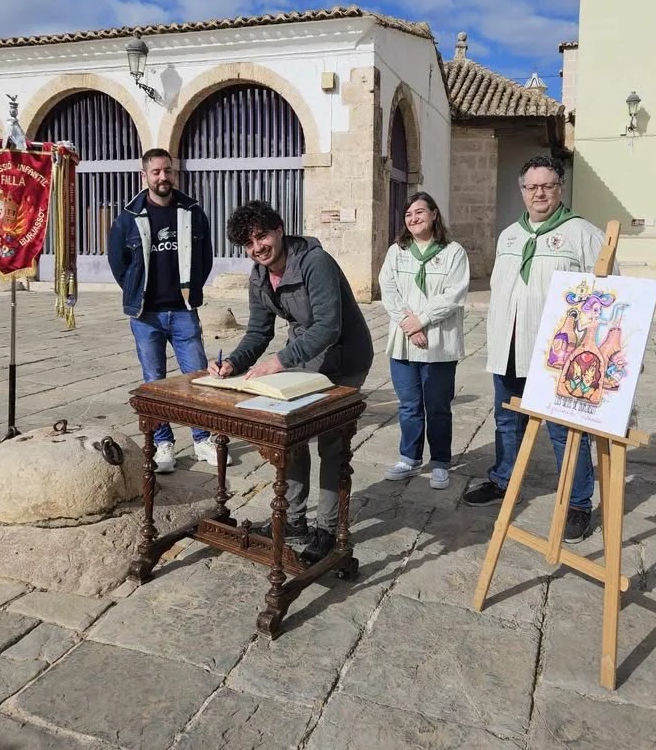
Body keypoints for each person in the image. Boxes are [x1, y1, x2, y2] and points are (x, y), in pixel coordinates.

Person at [208, 200, 374, 565]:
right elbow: (257, 331)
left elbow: (328, 326)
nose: (258, 248)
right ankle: (294, 520)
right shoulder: (259, 274)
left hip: (345, 358)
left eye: (262, 236)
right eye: (248, 244)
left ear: (279, 229)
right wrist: (233, 362)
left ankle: (328, 531)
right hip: (307, 357)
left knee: (331, 445)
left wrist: (281, 361)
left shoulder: (316, 262)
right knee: (292, 438)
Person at [463, 155, 608, 544]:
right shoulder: (509, 235)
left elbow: (609, 293)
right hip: (509, 347)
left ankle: (577, 503)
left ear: (560, 189)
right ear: (522, 191)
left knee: (565, 431)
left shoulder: (583, 234)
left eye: (547, 185)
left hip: (558, 357)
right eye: (532, 187)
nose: (539, 193)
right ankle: (504, 479)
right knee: (506, 420)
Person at [108, 148, 215, 473]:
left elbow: (205, 258)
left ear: (174, 172)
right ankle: (164, 444)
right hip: (146, 314)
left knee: (197, 377)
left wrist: (191, 288)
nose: (162, 177)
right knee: (154, 381)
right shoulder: (129, 215)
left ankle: (202, 439)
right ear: (145, 175)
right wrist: (135, 290)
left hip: (183, 310)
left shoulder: (191, 211)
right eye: (156, 172)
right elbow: (118, 261)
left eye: (167, 171)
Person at [379, 192, 470, 488]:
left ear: (433, 214)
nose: (414, 218)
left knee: (438, 405)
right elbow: (388, 288)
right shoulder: (397, 251)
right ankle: (410, 457)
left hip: (438, 343)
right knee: (409, 405)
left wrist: (423, 320)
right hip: (404, 340)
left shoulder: (453, 252)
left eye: (419, 212)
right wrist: (409, 322)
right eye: (408, 215)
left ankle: (441, 460)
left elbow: (454, 294)